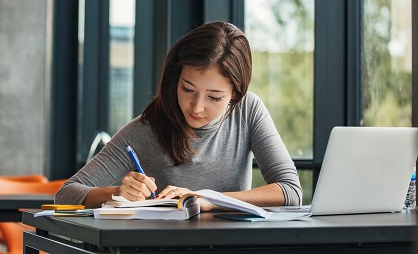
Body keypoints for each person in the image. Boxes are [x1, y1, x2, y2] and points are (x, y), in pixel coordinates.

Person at [55, 21, 302, 210]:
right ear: (175, 79)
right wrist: (117, 193)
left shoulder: (248, 110)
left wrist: (207, 199)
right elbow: (66, 194)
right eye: (187, 89)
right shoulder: (147, 129)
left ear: (235, 95)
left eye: (214, 97)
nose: (196, 107)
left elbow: (290, 191)